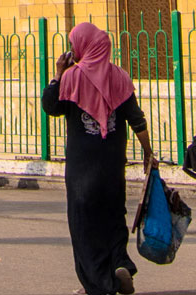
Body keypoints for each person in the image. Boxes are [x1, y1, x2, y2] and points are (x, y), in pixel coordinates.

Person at [41, 22, 157, 295]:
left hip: (83, 167)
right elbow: (136, 120)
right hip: (112, 162)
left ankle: (99, 284)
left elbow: (51, 106)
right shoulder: (119, 77)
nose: (72, 50)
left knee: (84, 222)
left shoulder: (71, 78)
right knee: (114, 214)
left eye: (73, 45)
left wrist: (58, 73)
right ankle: (120, 264)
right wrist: (148, 153)